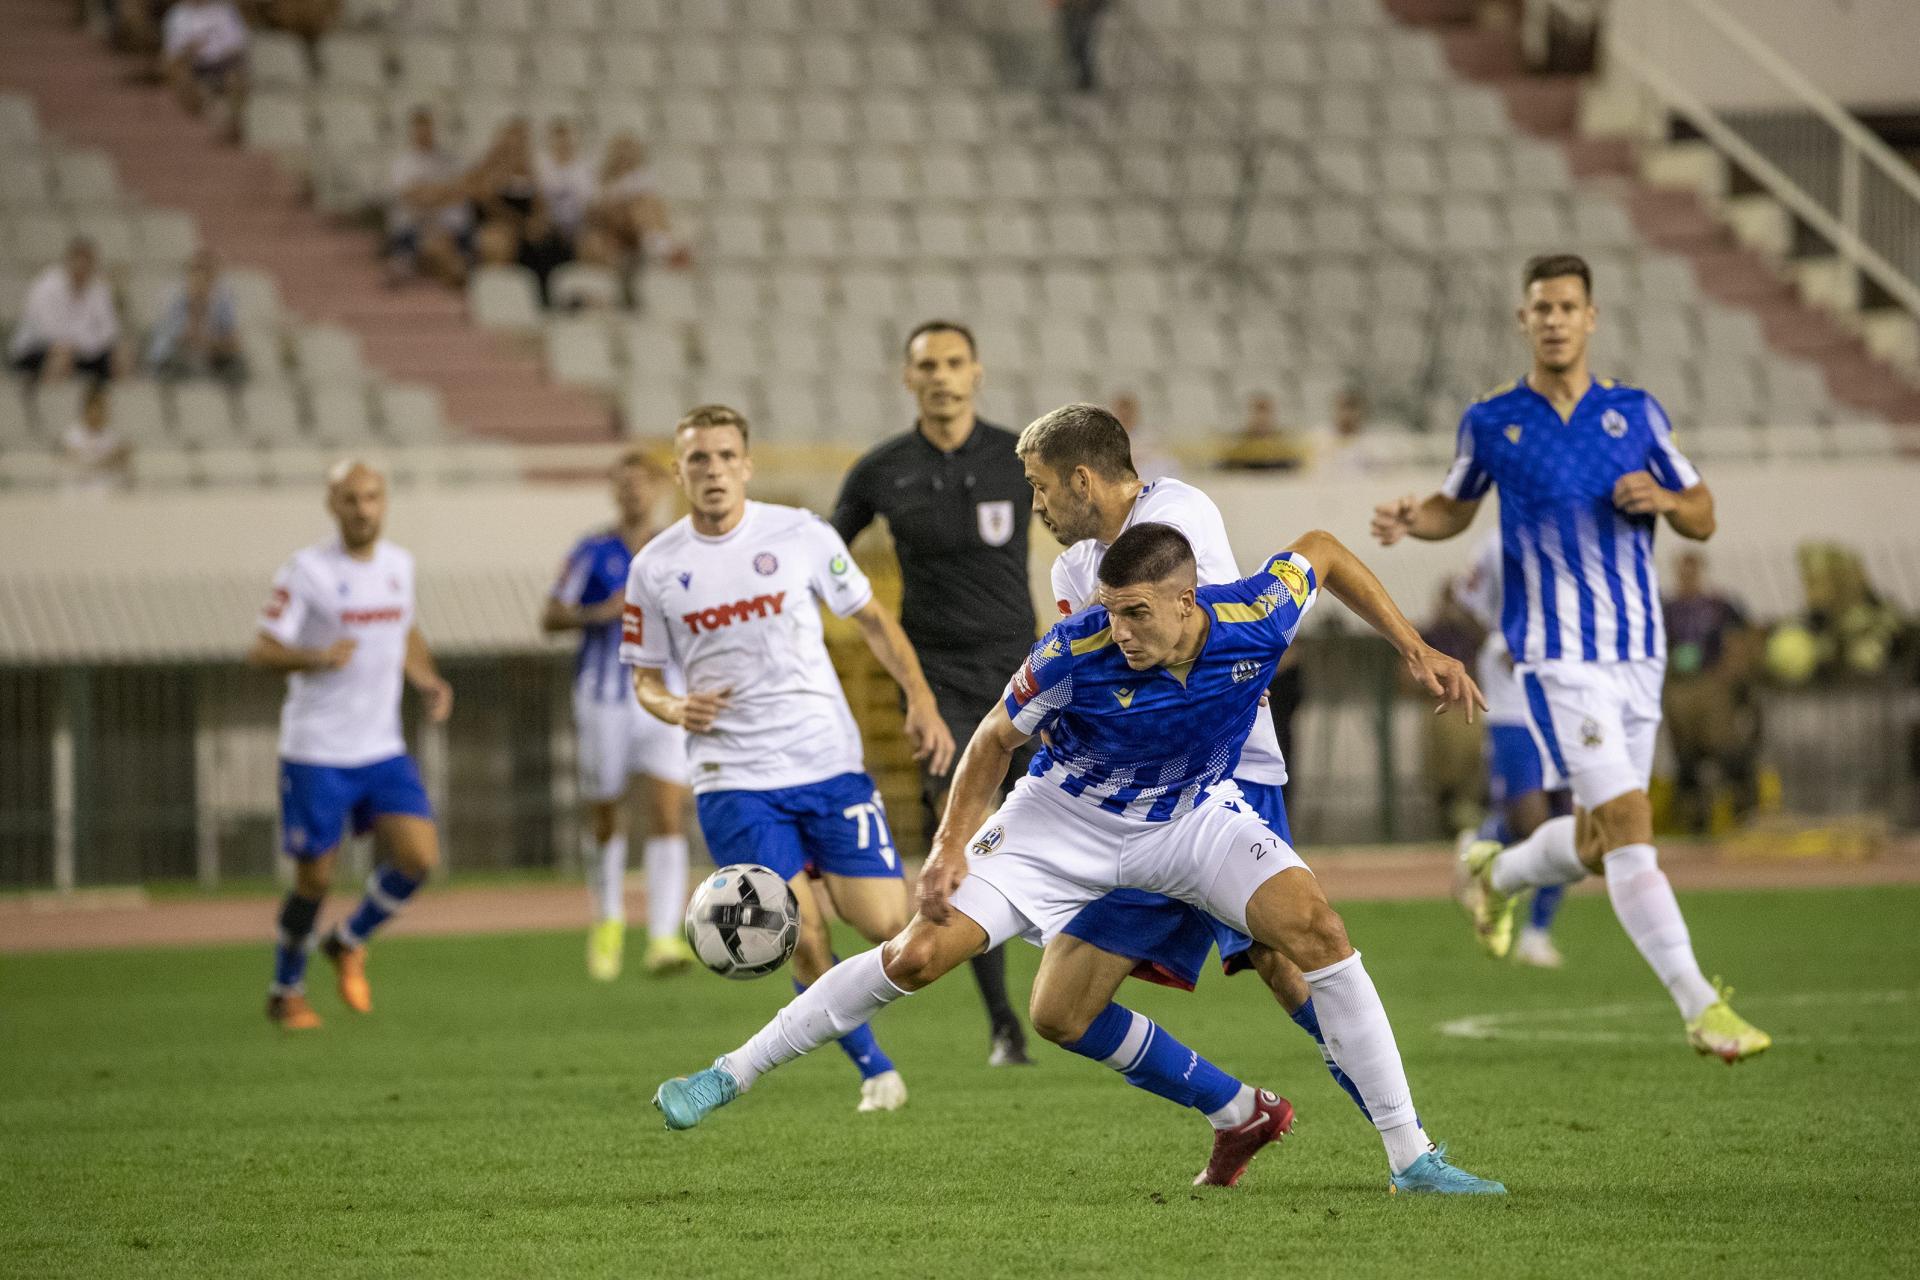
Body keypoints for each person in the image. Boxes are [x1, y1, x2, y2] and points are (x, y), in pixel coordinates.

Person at [652, 519, 1506, 1196]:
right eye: (1109, 609)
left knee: (1317, 931)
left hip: (1188, 817)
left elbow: (1322, 550)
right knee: (918, 956)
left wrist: (1412, 645)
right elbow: (991, 740)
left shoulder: (1257, 613)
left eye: (1138, 612)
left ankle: (1412, 1157)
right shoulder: (1073, 653)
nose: (1118, 629)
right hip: (1060, 823)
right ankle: (729, 1074)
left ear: (1187, 598)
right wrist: (951, 850)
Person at [1371, 252, 1769, 1062]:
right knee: (1630, 829)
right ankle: (1700, 1005)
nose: (1554, 319)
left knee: (1593, 841)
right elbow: (1456, 505)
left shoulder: (1637, 414)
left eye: (1567, 307)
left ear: (1591, 319)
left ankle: (1495, 874)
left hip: (1639, 655)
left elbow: (1703, 513)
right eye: (1540, 308)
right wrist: (1418, 517)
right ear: (1524, 321)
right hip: (1555, 659)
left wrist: (1664, 499)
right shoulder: (1493, 421)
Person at [1021, 404, 1370, 1118]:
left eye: (1041, 487)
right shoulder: (1070, 569)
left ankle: (1399, 1130)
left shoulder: (1176, 510)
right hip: (1139, 796)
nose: (1037, 506)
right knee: (1061, 1009)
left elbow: (1194, 637)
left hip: (1230, 770)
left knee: (1285, 957)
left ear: (1082, 479)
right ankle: (1241, 1111)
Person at [622, 405, 956, 1114]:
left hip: (827, 762)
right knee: (798, 934)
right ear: (679, 472)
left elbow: (871, 618)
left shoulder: (800, 534)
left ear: (746, 464)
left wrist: (920, 700)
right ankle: (874, 1069)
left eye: (723, 456)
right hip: (733, 777)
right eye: (697, 460)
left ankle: (822, 876)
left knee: (886, 923)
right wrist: (673, 706)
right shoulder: (655, 567)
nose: (711, 470)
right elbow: (644, 677)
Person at [830, 321, 1035, 1066]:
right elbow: (822, 559)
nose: (942, 376)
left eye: (954, 363)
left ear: (977, 373)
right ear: (907, 379)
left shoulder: (1021, 459)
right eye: (928, 365)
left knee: (1067, 830)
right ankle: (1004, 1022)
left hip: (1031, 678)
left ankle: (1077, 986)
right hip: (937, 687)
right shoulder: (882, 471)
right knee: (968, 847)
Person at [247, 460, 454, 1030]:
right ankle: (285, 988)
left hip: (382, 748)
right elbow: (262, 650)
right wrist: (315, 656)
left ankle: (347, 940)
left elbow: (405, 629)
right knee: (315, 878)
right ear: (332, 505)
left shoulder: (399, 566)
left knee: (418, 857)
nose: (362, 509)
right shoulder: (306, 571)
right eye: (350, 500)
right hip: (317, 751)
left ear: (383, 502)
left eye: (371, 498)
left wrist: (427, 678)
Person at [542, 447, 694, 980]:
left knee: (667, 814)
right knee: (606, 813)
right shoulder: (592, 550)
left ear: (658, 489)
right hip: (604, 697)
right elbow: (551, 615)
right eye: (623, 484)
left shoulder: (680, 546)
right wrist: (598, 614)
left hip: (664, 695)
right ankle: (606, 921)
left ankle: (662, 936)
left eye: (642, 484)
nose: (633, 493)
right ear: (614, 491)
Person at [1450, 533, 1571, 968]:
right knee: (1532, 822)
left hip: (1570, 693)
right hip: (1515, 701)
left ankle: (1537, 934)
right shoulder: (1498, 543)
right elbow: (1460, 595)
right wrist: (1500, 637)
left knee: (1571, 823)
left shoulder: (1579, 535)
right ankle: (1484, 844)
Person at [1661, 550, 1761, 832]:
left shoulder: (1719, 605)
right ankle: (1695, 822)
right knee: (1687, 758)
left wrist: (1731, 673)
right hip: (1680, 686)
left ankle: (1743, 815)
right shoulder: (1667, 608)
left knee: (1725, 751)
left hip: (1711, 685)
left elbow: (1742, 638)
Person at [10, 238, 123, 387]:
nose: (83, 266)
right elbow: (48, 332)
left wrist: (83, 346)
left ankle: (120, 406)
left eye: (88, 261)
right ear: (69, 260)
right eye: (79, 260)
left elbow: (109, 331)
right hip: (36, 350)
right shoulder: (46, 285)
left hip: (83, 351)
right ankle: (52, 404)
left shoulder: (99, 288)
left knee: (120, 356)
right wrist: (79, 344)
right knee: (61, 356)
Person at [383, 108, 472, 287]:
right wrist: (442, 193)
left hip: (449, 227)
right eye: (420, 127)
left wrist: (429, 192)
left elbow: (461, 190)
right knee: (435, 246)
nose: (425, 132)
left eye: (429, 127)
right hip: (416, 226)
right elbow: (412, 196)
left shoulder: (451, 160)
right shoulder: (402, 163)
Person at [146, 249, 246, 383]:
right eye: (202, 272)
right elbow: (182, 338)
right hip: (172, 358)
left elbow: (232, 341)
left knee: (238, 365)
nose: (206, 280)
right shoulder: (173, 297)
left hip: (208, 356)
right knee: (180, 362)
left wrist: (212, 344)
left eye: (211, 275)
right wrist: (195, 307)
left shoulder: (222, 301)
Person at [161, 0, 249, 140]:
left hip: (223, 63)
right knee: (177, 69)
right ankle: (199, 111)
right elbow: (172, 51)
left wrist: (219, 53)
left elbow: (238, 44)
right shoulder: (178, 14)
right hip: (193, 66)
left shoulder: (224, 10)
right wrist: (189, 49)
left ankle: (231, 121)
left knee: (237, 75)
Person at [60, 384, 133, 495]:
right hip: (78, 485)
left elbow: (119, 462)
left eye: (101, 409)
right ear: (86, 411)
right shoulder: (73, 434)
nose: (97, 414)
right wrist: (105, 461)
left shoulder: (111, 435)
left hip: (106, 486)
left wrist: (120, 456)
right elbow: (72, 462)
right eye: (94, 410)